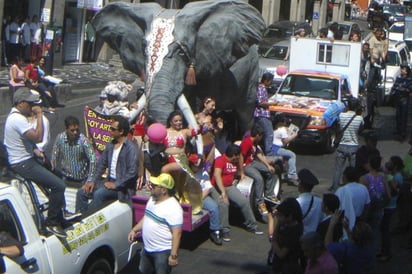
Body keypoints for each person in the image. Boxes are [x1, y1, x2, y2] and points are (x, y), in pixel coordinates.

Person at [4, 87, 72, 238]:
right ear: (21, 103)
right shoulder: (17, 119)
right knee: (58, 185)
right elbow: (38, 137)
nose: (32, 107)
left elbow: (28, 142)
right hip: (22, 163)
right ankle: (52, 222)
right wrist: (40, 115)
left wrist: (40, 155)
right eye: (29, 104)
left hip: (29, 158)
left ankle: (60, 211)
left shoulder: (17, 117)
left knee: (59, 175)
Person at [76, 115, 138, 213]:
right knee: (82, 192)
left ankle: (91, 219)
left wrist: (116, 184)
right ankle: (80, 217)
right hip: (108, 182)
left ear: (121, 131)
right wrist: (92, 181)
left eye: (113, 129)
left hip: (123, 188)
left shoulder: (130, 148)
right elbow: (101, 165)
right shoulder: (110, 145)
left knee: (99, 194)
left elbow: (132, 172)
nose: (110, 131)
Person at [128, 173, 183, 274]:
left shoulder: (173, 208)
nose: (151, 187)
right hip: (147, 249)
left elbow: (177, 233)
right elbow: (147, 217)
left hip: (162, 253)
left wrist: (173, 255)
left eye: (154, 186)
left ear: (164, 190)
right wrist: (134, 229)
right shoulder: (152, 200)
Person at [211, 143, 263, 241]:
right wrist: (223, 192)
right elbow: (217, 176)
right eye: (237, 156)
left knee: (244, 201)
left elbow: (240, 160)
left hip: (229, 186)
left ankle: (252, 225)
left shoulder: (236, 159)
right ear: (234, 155)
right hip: (217, 187)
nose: (239, 158)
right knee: (223, 204)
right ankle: (224, 230)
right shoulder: (220, 160)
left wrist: (242, 172)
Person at [51, 116, 96, 190]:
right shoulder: (60, 138)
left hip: (81, 181)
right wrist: (53, 169)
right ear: (66, 129)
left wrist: (90, 179)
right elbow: (54, 154)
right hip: (66, 178)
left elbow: (93, 160)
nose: (75, 132)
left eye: (77, 130)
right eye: (72, 130)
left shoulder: (83, 141)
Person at [240, 125, 277, 215]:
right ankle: (260, 203)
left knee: (270, 172)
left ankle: (269, 194)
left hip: (252, 163)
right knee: (259, 179)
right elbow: (240, 157)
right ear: (257, 135)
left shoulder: (254, 143)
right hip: (246, 165)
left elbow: (259, 155)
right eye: (261, 136)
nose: (261, 138)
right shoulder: (247, 142)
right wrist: (241, 172)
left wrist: (268, 166)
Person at [330, 98, 364, 191]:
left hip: (342, 145)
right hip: (354, 146)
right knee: (353, 170)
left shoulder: (341, 115)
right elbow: (360, 131)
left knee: (338, 169)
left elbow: (337, 127)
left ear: (347, 106)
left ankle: (335, 187)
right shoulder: (360, 118)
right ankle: (353, 188)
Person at [188, 154, 223, 245]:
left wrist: (198, 200)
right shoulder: (185, 172)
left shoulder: (203, 173)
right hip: (187, 197)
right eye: (197, 166)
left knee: (214, 207)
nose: (200, 167)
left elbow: (207, 189)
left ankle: (215, 230)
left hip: (201, 196)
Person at [359, 155, 390, 254]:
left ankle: (364, 253)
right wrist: (383, 205)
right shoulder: (382, 177)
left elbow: (361, 197)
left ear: (370, 165)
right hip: (379, 209)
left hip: (367, 209)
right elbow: (388, 195)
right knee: (375, 231)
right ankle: (373, 252)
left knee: (364, 233)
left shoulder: (364, 179)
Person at [268, 197, 304, 274]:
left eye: (280, 215)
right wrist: (277, 224)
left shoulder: (294, 231)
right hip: (279, 266)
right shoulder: (285, 225)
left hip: (287, 268)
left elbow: (282, 254)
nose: (278, 218)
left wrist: (274, 241)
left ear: (290, 216)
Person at [378, 156, 404, 262]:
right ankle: (383, 250)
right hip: (388, 207)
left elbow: (394, 191)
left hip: (390, 207)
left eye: (390, 162)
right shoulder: (394, 175)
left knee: (385, 231)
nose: (388, 163)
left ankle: (387, 253)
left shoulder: (397, 177)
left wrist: (386, 178)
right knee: (383, 230)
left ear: (395, 166)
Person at [335, 166, 370, 231]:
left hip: (345, 222)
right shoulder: (363, 188)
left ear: (345, 177)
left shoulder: (341, 190)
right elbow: (367, 205)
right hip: (360, 220)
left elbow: (336, 208)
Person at [272, 114, 298, 185]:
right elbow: (285, 141)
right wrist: (294, 135)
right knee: (292, 155)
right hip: (276, 149)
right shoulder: (282, 130)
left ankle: (284, 173)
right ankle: (292, 175)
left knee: (286, 156)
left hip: (272, 147)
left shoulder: (273, 127)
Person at [296, 168, 324, 235]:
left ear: (300, 186)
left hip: (300, 239)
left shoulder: (297, 203)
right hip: (315, 239)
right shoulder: (320, 202)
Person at [254, 72, 276, 157]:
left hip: (262, 115)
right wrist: (272, 103)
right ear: (266, 80)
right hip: (262, 115)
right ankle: (269, 153)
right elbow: (260, 102)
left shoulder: (262, 88)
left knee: (263, 135)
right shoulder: (261, 88)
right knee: (269, 133)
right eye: (270, 81)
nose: (271, 83)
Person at [390, 63, 412, 139]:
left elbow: (409, 89)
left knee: (403, 116)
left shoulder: (409, 80)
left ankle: (403, 131)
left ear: (407, 71)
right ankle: (398, 130)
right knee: (398, 115)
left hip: (404, 99)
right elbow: (394, 87)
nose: (402, 70)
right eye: (401, 68)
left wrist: (404, 89)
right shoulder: (398, 78)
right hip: (397, 98)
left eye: (403, 69)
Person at [195, 97, 216, 172]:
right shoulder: (196, 117)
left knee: (208, 168)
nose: (214, 108)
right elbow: (194, 131)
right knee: (200, 166)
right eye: (212, 105)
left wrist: (217, 128)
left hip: (212, 145)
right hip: (202, 146)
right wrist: (202, 125)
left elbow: (214, 132)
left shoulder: (211, 117)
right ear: (205, 104)